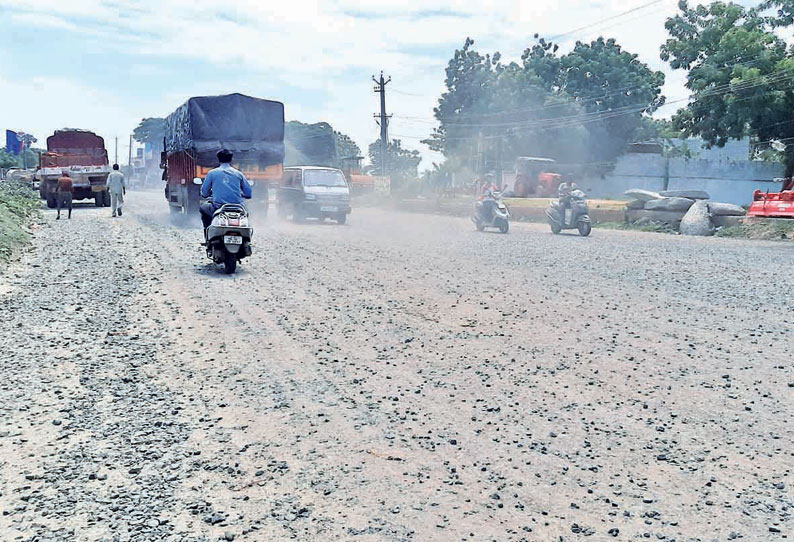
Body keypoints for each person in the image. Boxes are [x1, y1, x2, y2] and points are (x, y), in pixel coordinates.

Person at [199, 149, 252, 232]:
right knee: (246, 213)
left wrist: (211, 193)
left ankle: (207, 231)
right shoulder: (238, 174)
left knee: (203, 207)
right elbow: (248, 193)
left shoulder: (212, 173)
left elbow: (204, 193)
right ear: (231, 160)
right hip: (238, 207)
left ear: (219, 159)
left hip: (217, 207)